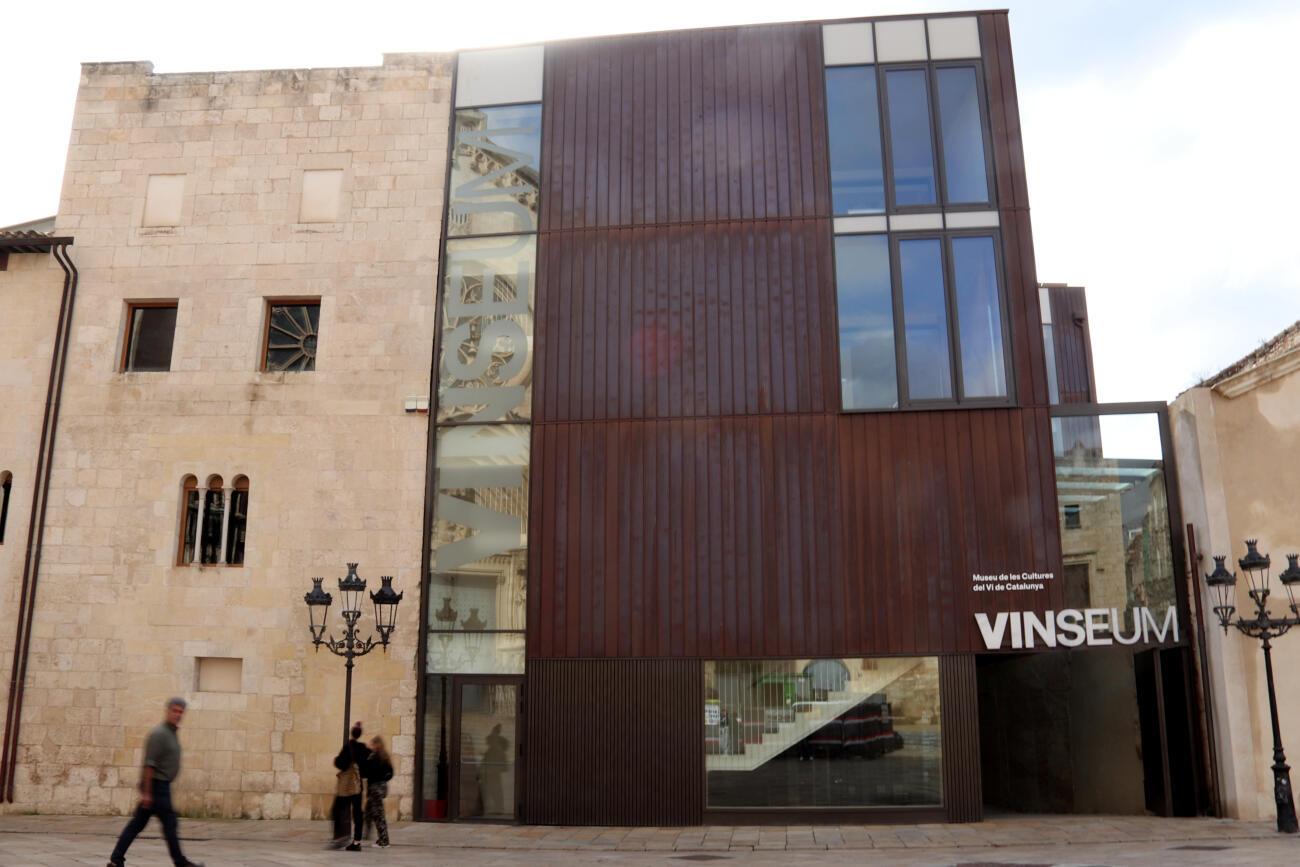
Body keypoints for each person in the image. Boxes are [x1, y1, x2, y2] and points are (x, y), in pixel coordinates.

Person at [106, 697, 203, 867]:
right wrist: (147, 793)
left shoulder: (171, 733)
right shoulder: (160, 734)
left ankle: (116, 859)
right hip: (157, 787)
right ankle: (181, 863)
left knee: (137, 825)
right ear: (167, 711)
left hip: (160, 787)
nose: (178, 714)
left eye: (181, 712)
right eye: (175, 710)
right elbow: (150, 765)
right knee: (169, 825)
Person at [329, 721, 370, 851]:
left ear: (352, 732)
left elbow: (341, 764)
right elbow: (366, 769)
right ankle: (357, 842)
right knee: (357, 813)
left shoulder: (349, 747)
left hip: (347, 787)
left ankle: (340, 837)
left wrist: (336, 759)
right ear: (360, 734)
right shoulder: (364, 749)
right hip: (358, 787)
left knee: (337, 809)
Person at [362, 735, 393, 848]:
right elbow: (390, 773)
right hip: (381, 788)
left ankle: (384, 841)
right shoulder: (385, 757)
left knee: (379, 815)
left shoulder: (375, 758)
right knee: (368, 811)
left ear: (376, 745)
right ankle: (364, 834)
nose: (370, 746)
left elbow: (367, 773)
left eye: (372, 744)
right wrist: (383, 780)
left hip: (375, 789)